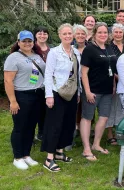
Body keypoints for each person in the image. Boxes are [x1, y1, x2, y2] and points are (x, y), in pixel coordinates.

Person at [42, 24, 81, 172]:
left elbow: (77, 76)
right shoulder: (54, 53)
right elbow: (48, 74)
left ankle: (59, 152)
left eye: (69, 33)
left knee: (68, 124)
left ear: (73, 35)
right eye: (64, 34)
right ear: (59, 35)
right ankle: (49, 159)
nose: (67, 36)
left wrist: (77, 93)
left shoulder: (76, 52)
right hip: (57, 93)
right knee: (54, 125)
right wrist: (49, 95)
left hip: (71, 94)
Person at [4, 30, 45, 170]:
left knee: (31, 127)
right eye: (24, 41)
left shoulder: (37, 55)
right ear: (18, 42)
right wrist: (13, 101)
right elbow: (8, 81)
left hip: (38, 95)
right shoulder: (14, 57)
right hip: (22, 96)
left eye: (29, 41)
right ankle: (18, 157)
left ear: (33, 42)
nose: (27, 43)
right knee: (20, 128)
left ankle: (26, 155)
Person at [80, 23, 117, 161]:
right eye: (100, 32)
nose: (103, 35)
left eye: (105, 33)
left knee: (104, 117)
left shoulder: (109, 48)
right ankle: (86, 148)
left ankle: (96, 144)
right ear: (94, 34)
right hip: (93, 90)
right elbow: (83, 73)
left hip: (107, 90)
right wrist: (88, 91)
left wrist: (113, 85)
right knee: (88, 117)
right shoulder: (89, 49)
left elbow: (112, 70)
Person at [106, 23, 124, 145]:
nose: (118, 34)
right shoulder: (108, 47)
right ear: (112, 33)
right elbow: (108, 65)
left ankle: (119, 131)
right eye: (116, 32)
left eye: (120, 32)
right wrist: (117, 77)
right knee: (110, 107)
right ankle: (109, 133)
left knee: (121, 108)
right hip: (112, 81)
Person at [33, 26, 51, 141]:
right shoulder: (31, 49)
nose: (42, 35)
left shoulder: (51, 50)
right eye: (39, 33)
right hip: (35, 84)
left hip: (48, 85)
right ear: (35, 35)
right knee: (35, 110)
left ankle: (43, 132)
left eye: (45, 33)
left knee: (46, 111)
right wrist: (33, 83)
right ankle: (33, 133)